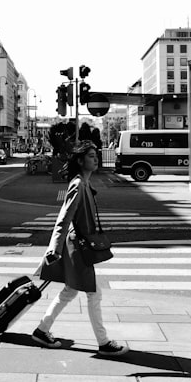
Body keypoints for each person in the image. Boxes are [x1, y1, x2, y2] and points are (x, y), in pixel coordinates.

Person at [31, 140, 129, 356]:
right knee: (93, 293)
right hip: (78, 247)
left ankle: (42, 329)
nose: (96, 158)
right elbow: (63, 219)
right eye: (91, 155)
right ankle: (103, 343)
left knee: (71, 291)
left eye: (96, 155)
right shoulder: (78, 184)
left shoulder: (84, 183)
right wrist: (54, 249)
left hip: (79, 245)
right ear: (80, 160)